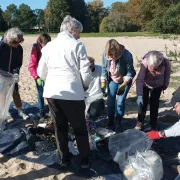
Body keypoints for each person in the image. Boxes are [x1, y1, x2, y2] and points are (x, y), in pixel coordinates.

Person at [37, 15, 96, 177]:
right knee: (79, 128)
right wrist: (83, 86)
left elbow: (40, 72)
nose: (80, 35)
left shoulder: (48, 46)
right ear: (72, 29)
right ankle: (84, 159)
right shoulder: (77, 45)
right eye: (79, 32)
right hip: (72, 93)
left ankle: (64, 158)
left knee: (60, 127)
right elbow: (85, 72)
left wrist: (51, 81)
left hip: (52, 93)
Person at [101, 39, 136, 133]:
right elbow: (104, 68)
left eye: (114, 54)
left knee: (120, 102)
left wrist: (124, 84)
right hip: (112, 79)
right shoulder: (105, 54)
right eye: (110, 55)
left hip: (124, 80)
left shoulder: (126, 55)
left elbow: (130, 71)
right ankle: (110, 120)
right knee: (110, 101)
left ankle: (118, 122)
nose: (112, 57)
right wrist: (103, 82)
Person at [135, 51, 171, 130]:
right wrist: (139, 95)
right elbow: (140, 79)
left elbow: (167, 74)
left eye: (155, 68)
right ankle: (140, 122)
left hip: (158, 85)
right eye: (151, 67)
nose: (153, 69)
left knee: (154, 105)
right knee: (142, 104)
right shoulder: (145, 63)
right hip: (145, 84)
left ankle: (153, 125)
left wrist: (165, 85)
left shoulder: (165, 62)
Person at [0, 27, 29, 120]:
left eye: (19, 42)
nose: (18, 45)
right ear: (9, 41)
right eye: (16, 43)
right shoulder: (1, 46)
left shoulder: (18, 48)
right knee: (2, 93)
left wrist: (16, 73)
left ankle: (20, 110)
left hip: (12, 74)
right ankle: (6, 113)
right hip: (1, 74)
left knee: (15, 92)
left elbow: (18, 62)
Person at [28, 33, 51, 120]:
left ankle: (52, 111)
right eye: (45, 45)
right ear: (40, 43)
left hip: (50, 74)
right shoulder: (35, 49)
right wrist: (37, 77)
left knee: (51, 94)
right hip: (39, 75)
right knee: (40, 93)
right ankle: (42, 112)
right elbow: (31, 66)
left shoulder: (52, 47)